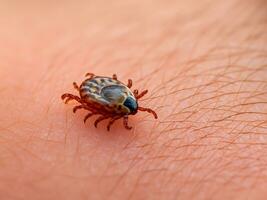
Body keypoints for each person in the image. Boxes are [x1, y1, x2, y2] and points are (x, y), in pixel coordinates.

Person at [0, 0, 266, 199]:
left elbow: (99, 109)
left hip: (94, 88)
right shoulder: (114, 108)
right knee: (95, 106)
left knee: (95, 103)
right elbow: (98, 110)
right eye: (129, 109)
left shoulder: (121, 101)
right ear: (130, 97)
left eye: (131, 107)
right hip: (94, 89)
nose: (131, 111)